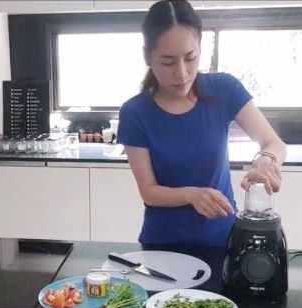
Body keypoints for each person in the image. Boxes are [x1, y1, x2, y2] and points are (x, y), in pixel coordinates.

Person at [117, 0, 287, 248]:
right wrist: (191, 194)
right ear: (147, 57)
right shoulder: (135, 112)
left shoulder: (224, 89)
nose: (182, 72)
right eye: (168, 62)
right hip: (162, 247)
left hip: (224, 241)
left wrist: (266, 160)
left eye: (190, 57)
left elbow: (274, 143)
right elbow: (149, 191)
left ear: (200, 48)